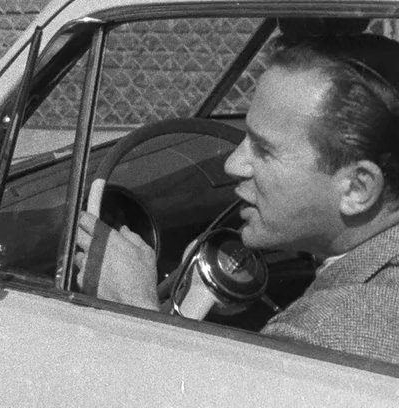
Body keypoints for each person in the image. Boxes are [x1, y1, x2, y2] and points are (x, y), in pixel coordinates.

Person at [74, 31, 399, 365]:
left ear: (357, 189)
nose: (232, 164)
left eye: (264, 149)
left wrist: (133, 307)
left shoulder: (322, 335)